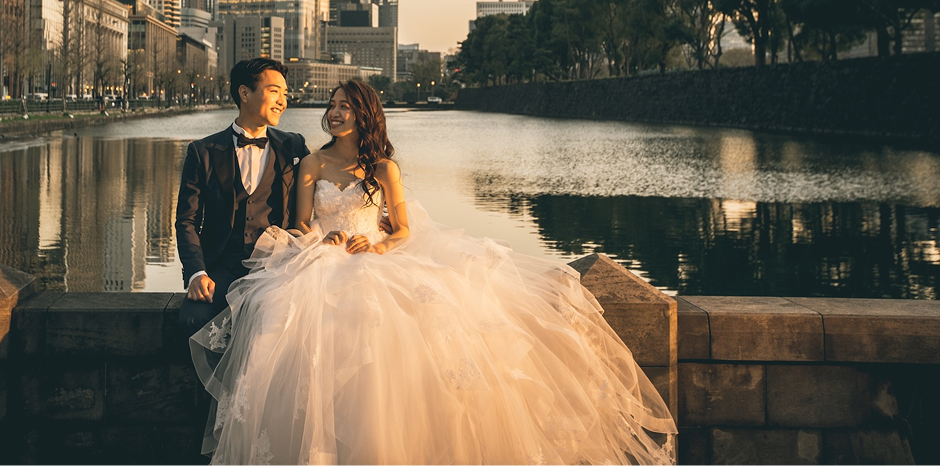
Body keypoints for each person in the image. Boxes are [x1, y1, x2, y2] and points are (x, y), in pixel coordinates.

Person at [190, 79, 677, 464]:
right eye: (333, 104)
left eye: (346, 106)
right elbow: (299, 224)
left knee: (406, 330)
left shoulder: (384, 169)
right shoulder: (312, 162)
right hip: (323, 258)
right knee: (280, 319)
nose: (335, 112)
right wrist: (327, 237)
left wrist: (378, 245)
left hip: (374, 258)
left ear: (365, 116)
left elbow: (401, 230)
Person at [175, 57, 311, 337]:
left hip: (277, 267)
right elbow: (186, 221)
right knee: (192, 321)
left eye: (285, 94)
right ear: (244, 93)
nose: (283, 101)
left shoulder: (293, 145)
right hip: (221, 267)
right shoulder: (203, 152)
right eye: (275, 91)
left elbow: (324, 187)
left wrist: (372, 213)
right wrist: (197, 273)